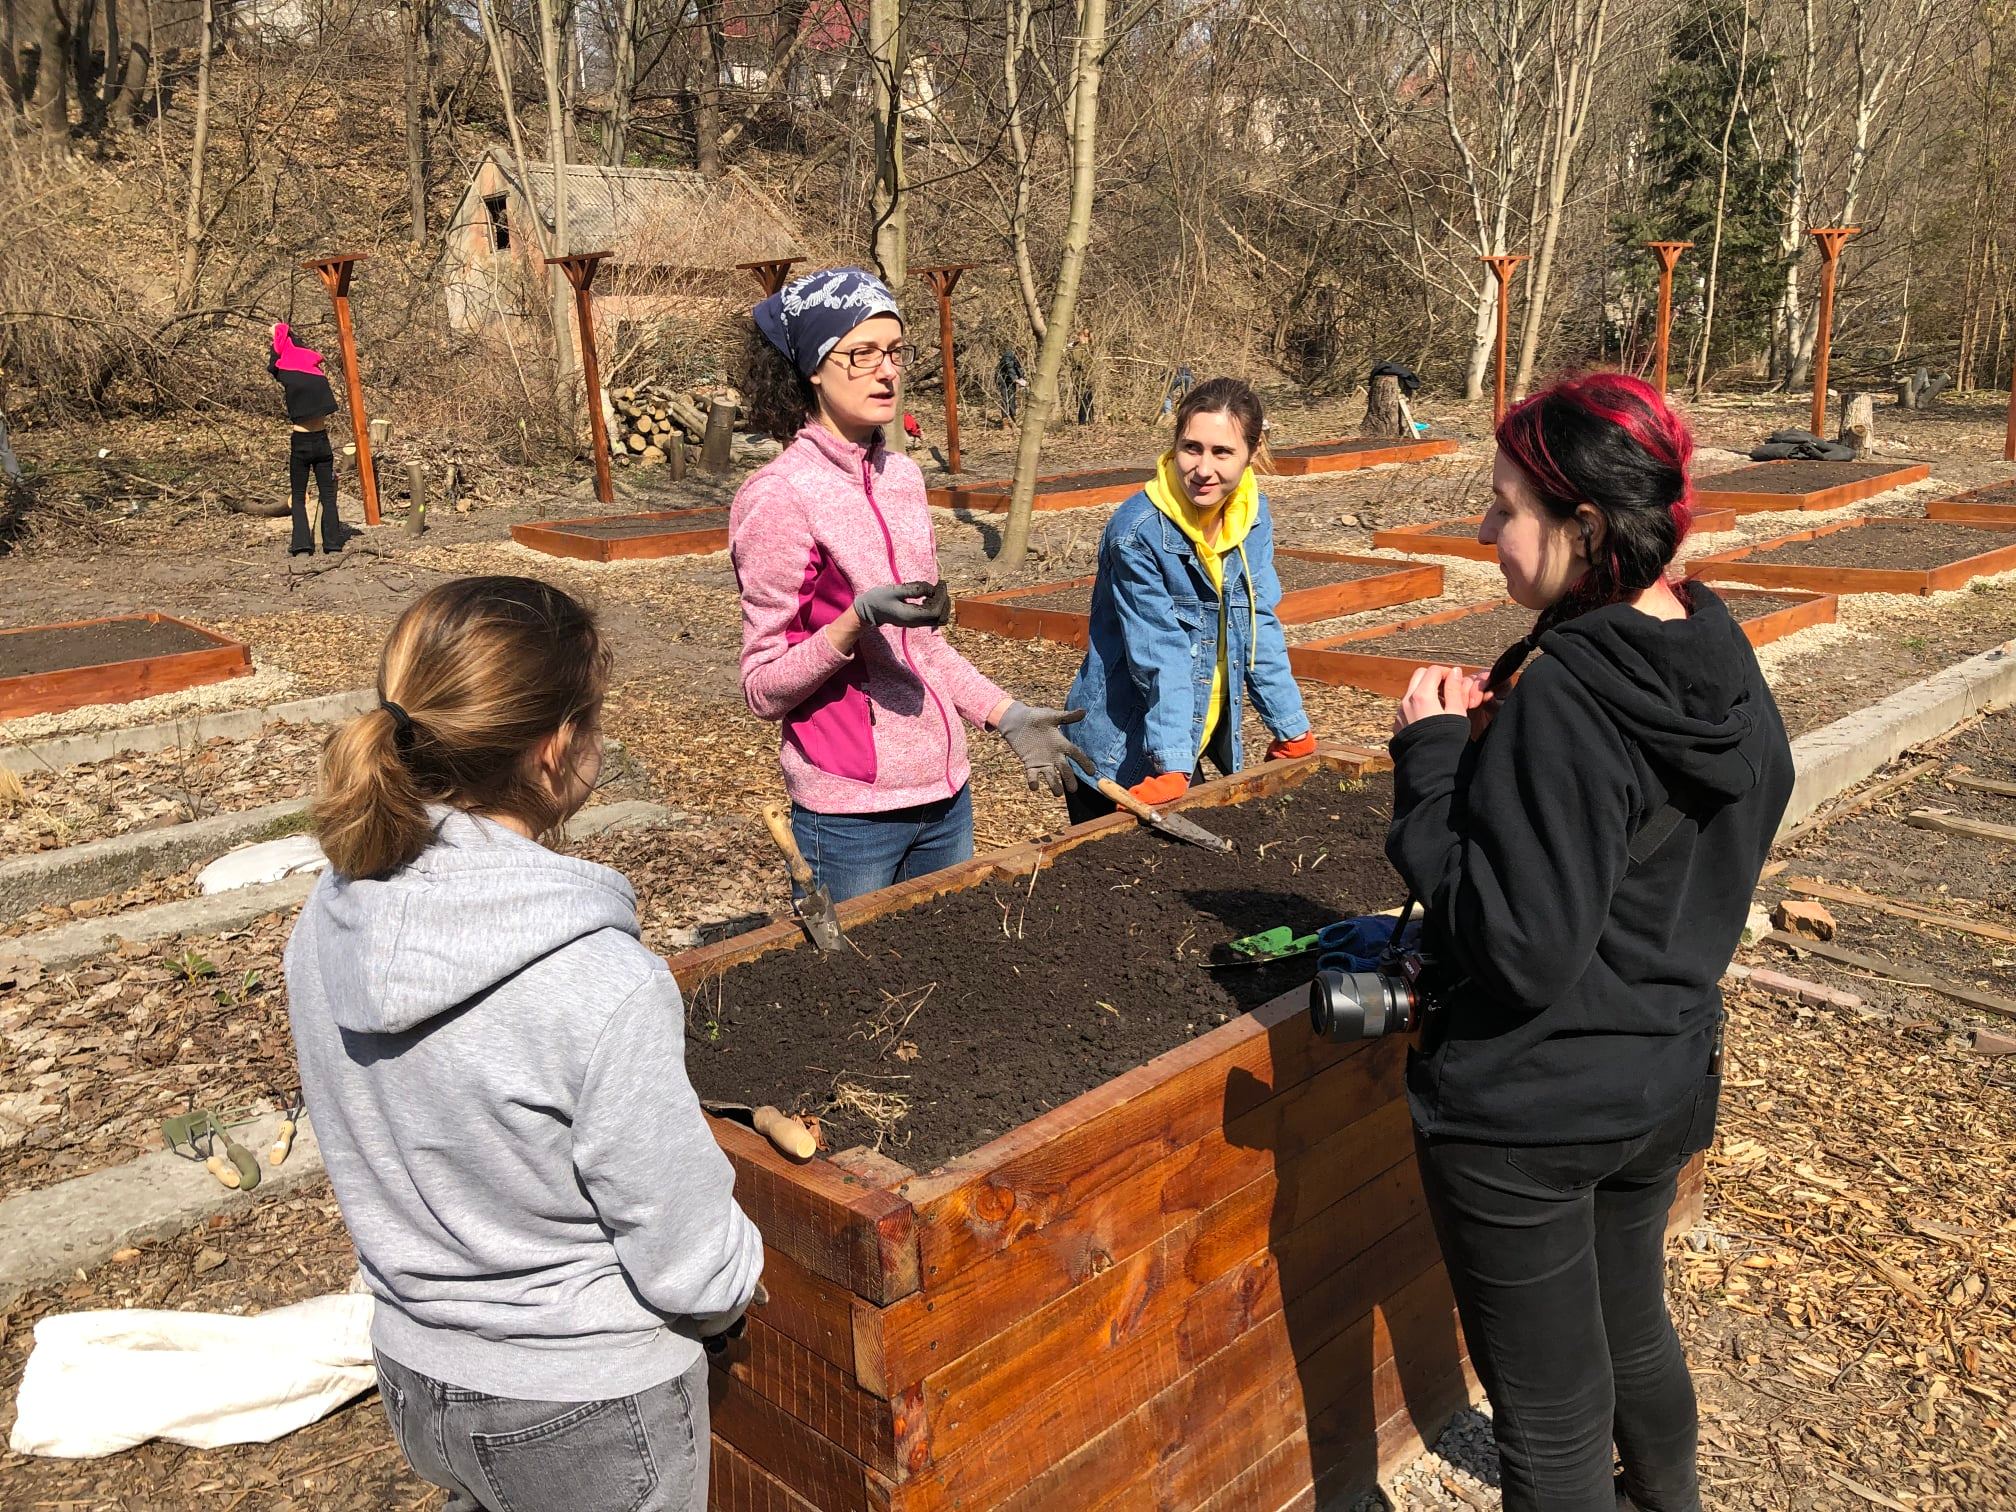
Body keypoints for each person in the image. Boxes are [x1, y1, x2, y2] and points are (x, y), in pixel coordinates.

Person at [1383, 372, 1793, 1512]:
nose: (1481, 528)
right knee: (1637, 1333)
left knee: (1554, 1431)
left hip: (1534, 1116)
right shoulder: (1712, 644)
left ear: (1584, 528)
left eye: (1503, 505)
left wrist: (1430, 764)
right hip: (1661, 1077)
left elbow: (1517, 948)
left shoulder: (1570, 690)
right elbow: (1727, 809)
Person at [285, 576, 762, 1512]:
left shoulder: (326, 920)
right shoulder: (599, 979)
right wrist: (742, 1276)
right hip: (584, 1405)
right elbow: (689, 1262)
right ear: (554, 751)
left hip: (417, 1374)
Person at [729, 267, 1089, 904]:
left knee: (943, 980)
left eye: (894, 352)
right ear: (813, 367)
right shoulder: (778, 496)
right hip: (850, 815)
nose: (886, 371)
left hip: (946, 795)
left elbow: (921, 651)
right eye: (861, 353)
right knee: (859, 994)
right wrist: (852, 622)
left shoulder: (902, 477)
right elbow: (762, 688)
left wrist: (1010, 718)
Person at [1061, 376, 1315, 825]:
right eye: (1191, 448)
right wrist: (1173, 763)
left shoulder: (1250, 518)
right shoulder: (1138, 534)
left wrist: (1290, 726)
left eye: (1222, 452)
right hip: (1124, 749)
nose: (1203, 468)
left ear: (1252, 453)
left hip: (1188, 734)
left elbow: (1257, 624)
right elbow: (1161, 653)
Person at [267, 322, 345, 556]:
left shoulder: (284, 371)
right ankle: (332, 543)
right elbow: (309, 352)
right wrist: (283, 332)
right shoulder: (315, 373)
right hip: (322, 440)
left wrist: (276, 337)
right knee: (328, 495)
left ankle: (301, 544)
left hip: (301, 441)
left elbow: (274, 361)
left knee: (298, 496)